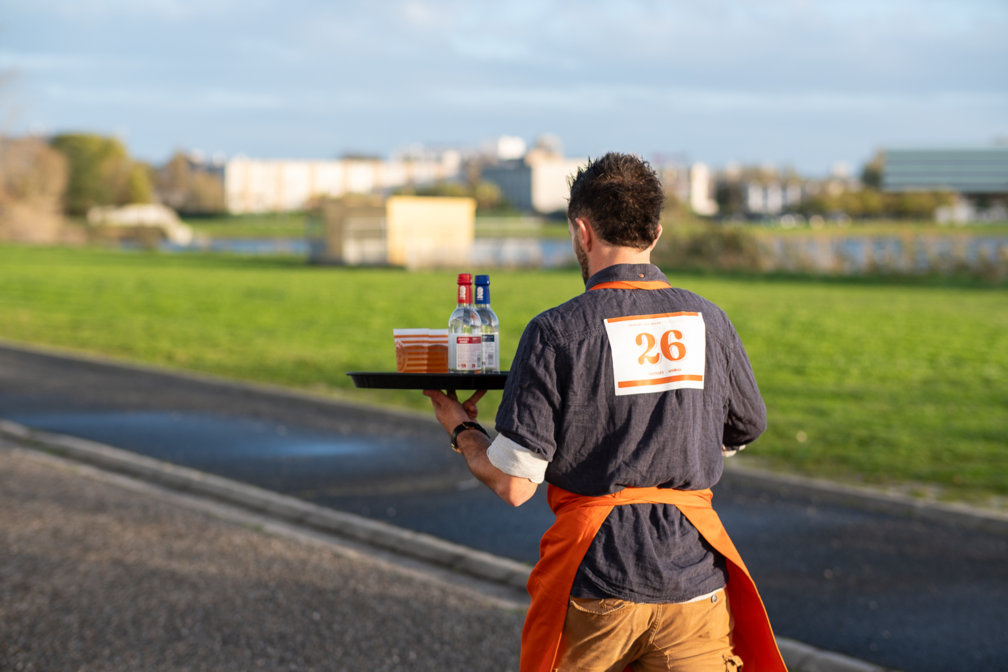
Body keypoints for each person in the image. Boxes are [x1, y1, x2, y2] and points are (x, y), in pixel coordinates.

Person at [425, 153, 785, 672]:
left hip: (596, 586)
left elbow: (514, 485)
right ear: (656, 233)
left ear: (582, 232)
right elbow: (747, 424)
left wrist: (462, 428)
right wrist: (680, 438)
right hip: (695, 588)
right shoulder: (711, 320)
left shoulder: (555, 331)